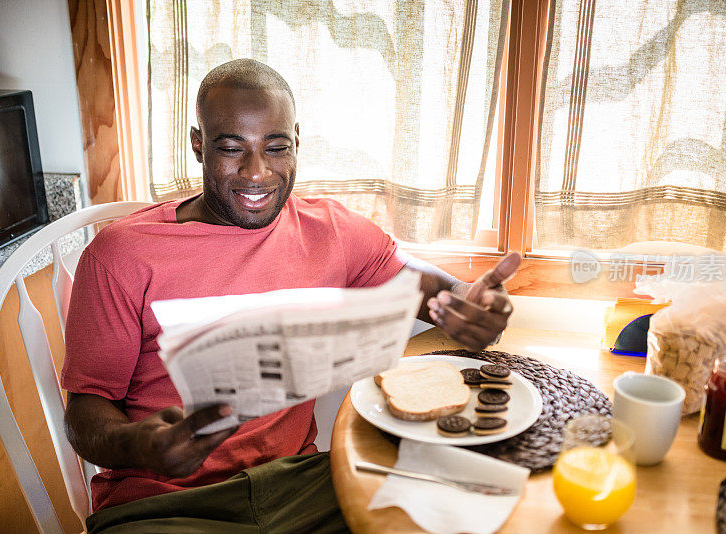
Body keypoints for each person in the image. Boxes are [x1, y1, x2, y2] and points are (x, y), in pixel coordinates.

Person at [61, 58, 520, 533]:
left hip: (298, 485)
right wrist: (138, 445)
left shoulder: (330, 232)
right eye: (231, 149)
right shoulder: (121, 254)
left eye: (275, 147)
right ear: (198, 145)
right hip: (163, 505)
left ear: (296, 140)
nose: (257, 172)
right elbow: (84, 408)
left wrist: (471, 301)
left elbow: (429, 288)